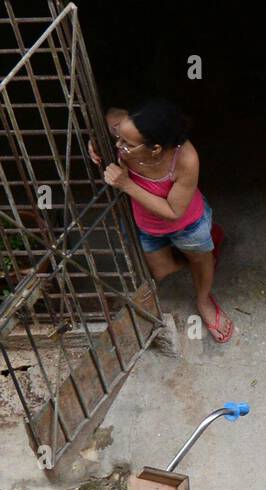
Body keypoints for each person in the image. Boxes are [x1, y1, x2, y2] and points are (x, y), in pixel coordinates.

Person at [89, 99, 234, 342]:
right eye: (119, 137)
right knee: (163, 272)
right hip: (148, 226)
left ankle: (203, 297)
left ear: (155, 148)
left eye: (126, 144)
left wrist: (126, 184)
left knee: (198, 257)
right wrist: (93, 142)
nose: (118, 145)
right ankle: (210, 247)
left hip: (188, 225)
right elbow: (110, 116)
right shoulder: (126, 128)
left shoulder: (186, 159)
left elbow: (173, 211)